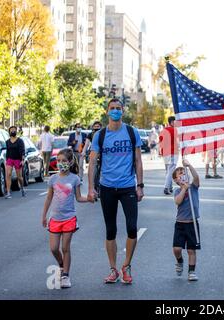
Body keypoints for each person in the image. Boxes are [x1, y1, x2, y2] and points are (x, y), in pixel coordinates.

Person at [88, 98, 144, 285]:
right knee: (110, 230)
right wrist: (90, 188)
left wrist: (140, 185)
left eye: (118, 108)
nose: (115, 111)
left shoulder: (131, 132)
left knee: (132, 227)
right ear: (107, 111)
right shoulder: (100, 135)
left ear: (123, 111)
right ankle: (113, 269)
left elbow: (138, 160)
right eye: (112, 108)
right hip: (107, 187)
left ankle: (126, 266)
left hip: (128, 185)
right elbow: (93, 163)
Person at [41, 148, 88, 288]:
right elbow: (49, 198)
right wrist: (44, 215)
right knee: (54, 248)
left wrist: (90, 199)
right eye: (58, 161)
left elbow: (79, 198)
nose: (61, 163)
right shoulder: (53, 179)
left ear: (70, 162)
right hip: (55, 219)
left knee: (65, 247)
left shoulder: (75, 179)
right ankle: (61, 264)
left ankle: (66, 275)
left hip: (69, 218)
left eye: (64, 161)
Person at [172, 159, 200, 281]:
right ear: (176, 180)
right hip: (180, 224)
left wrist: (189, 165)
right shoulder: (177, 191)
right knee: (177, 249)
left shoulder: (193, 187)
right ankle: (179, 261)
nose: (183, 175)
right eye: (180, 174)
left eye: (184, 172)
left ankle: (191, 271)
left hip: (192, 223)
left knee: (191, 250)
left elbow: (196, 177)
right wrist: (184, 188)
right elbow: (178, 201)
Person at [4, 126, 26, 199]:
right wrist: (6, 160)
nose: (13, 131)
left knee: (19, 177)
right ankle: (8, 192)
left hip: (18, 159)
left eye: (14, 130)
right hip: (9, 159)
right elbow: (7, 151)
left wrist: (22, 160)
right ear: (9, 132)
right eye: (11, 130)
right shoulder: (7, 141)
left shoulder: (20, 141)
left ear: (16, 132)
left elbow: (23, 151)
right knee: (8, 174)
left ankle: (22, 188)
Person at [159, 116, 179, 195]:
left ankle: (170, 187)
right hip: (173, 152)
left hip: (165, 153)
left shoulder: (163, 130)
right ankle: (166, 187)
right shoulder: (175, 130)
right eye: (175, 122)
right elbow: (177, 142)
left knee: (168, 170)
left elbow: (160, 141)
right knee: (171, 171)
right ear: (171, 122)